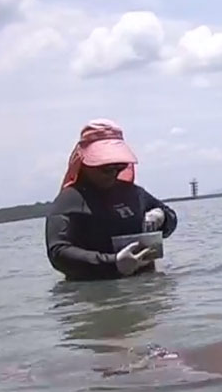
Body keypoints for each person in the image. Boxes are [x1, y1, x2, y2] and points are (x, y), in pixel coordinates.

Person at [45, 119, 178, 280]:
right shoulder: (69, 201)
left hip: (145, 287)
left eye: (119, 167)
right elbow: (58, 252)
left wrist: (162, 217)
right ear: (85, 162)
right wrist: (113, 263)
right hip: (96, 295)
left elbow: (171, 216)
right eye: (106, 168)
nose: (113, 173)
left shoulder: (133, 193)